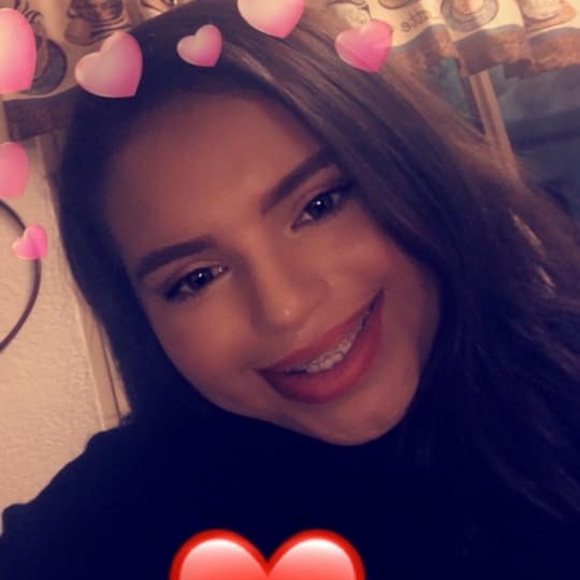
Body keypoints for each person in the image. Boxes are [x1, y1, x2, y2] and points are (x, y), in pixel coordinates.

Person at [2, 0, 580, 578]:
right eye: (196, 278)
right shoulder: (112, 520)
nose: (283, 307)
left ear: (411, 169)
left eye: (319, 206)